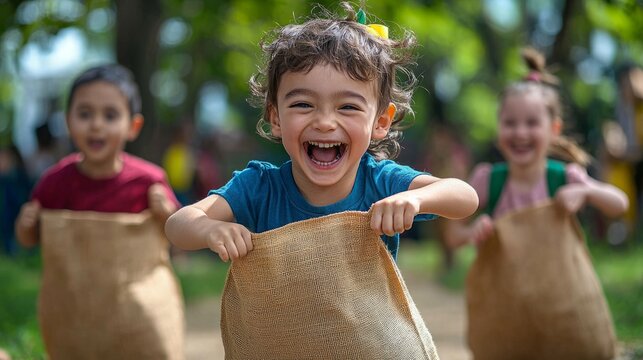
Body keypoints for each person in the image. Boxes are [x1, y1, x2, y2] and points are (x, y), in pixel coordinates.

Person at [165, 3, 479, 263]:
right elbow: (178, 224)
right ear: (276, 117)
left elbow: (465, 196)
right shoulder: (259, 188)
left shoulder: (381, 181)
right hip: (280, 338)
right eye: (303, 104)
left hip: (367, 339)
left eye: (348, 107)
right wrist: (211, 230)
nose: (325, 122)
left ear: (380, 122)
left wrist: (414, 199)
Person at [14, 64, 183, 358]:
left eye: (110, 115)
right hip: (76, 317)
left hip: (137, 318)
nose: (96, 125)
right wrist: (25, 225)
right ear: (68, 122)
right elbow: (29, 240)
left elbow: (179, 236)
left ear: (133, 126)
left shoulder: (148, 180)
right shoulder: (54, 183)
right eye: (84, 114)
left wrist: (166, 212)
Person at [444, 48, 628, 249]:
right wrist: (472, 232)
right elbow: (452, 235)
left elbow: (620, 203)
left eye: (532, 123)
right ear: (498, 127)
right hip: (502, 280)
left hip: (556, 280)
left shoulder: (566, 178)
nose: (520, 133)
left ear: (554, 130)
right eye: (510, 123)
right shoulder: (486, 180)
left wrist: (586, 193)